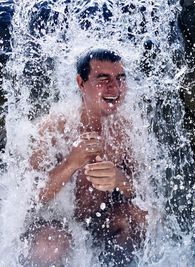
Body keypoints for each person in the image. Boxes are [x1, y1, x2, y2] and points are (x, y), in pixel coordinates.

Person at [23, 48, 147, 267]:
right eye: (103, 78)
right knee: (51, 244)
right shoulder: (53, 128)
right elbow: (30, 197)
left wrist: (119, 180)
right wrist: (71, 163)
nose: (114, 87)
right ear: (81, 83)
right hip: (56, 224)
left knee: (139, 218)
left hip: (101, 222)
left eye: (120, 78)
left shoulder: (129, 130)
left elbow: (146, 194)